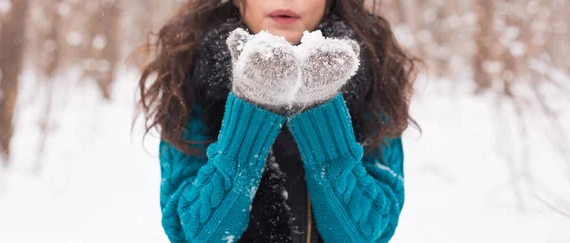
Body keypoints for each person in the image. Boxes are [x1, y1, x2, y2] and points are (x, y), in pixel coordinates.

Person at [137, 0, 418, 242]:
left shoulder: (372, 74)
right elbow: (194, 235)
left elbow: (365, 234)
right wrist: (251, 105)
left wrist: (320, 106)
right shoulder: (190, 76)